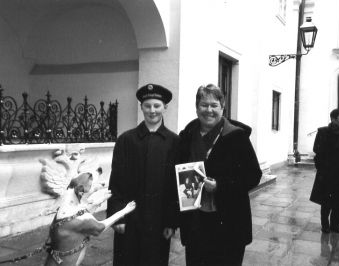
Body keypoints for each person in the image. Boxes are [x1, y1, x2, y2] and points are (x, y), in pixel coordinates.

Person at [178, 84, 262, 266]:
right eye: (204, 105)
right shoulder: (187, 137)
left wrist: (220, 185)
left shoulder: (236, 137)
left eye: (214, 105)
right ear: (196, 107)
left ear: (222, 108)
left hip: (229, 222)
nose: (209, 110)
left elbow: (253, 174)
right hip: (195, 222)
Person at [106, 83, 179, 265]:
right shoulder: (126, 140)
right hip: (130, 218)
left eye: (157, 106)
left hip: (159, 220)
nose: (152, 110)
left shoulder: (174, 141)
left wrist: (171, 221)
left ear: (165, 107)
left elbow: (174, 185)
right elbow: (116, 181)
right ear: (141, 107)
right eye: (147, 106)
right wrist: (118, 217)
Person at [310, 108, 339, 234]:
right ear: (333, 119)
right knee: (326, 201)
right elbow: (317, 151)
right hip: (326, 173)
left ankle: (335, 225)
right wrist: (321, 168)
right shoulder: (323, 132)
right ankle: (325, 225)